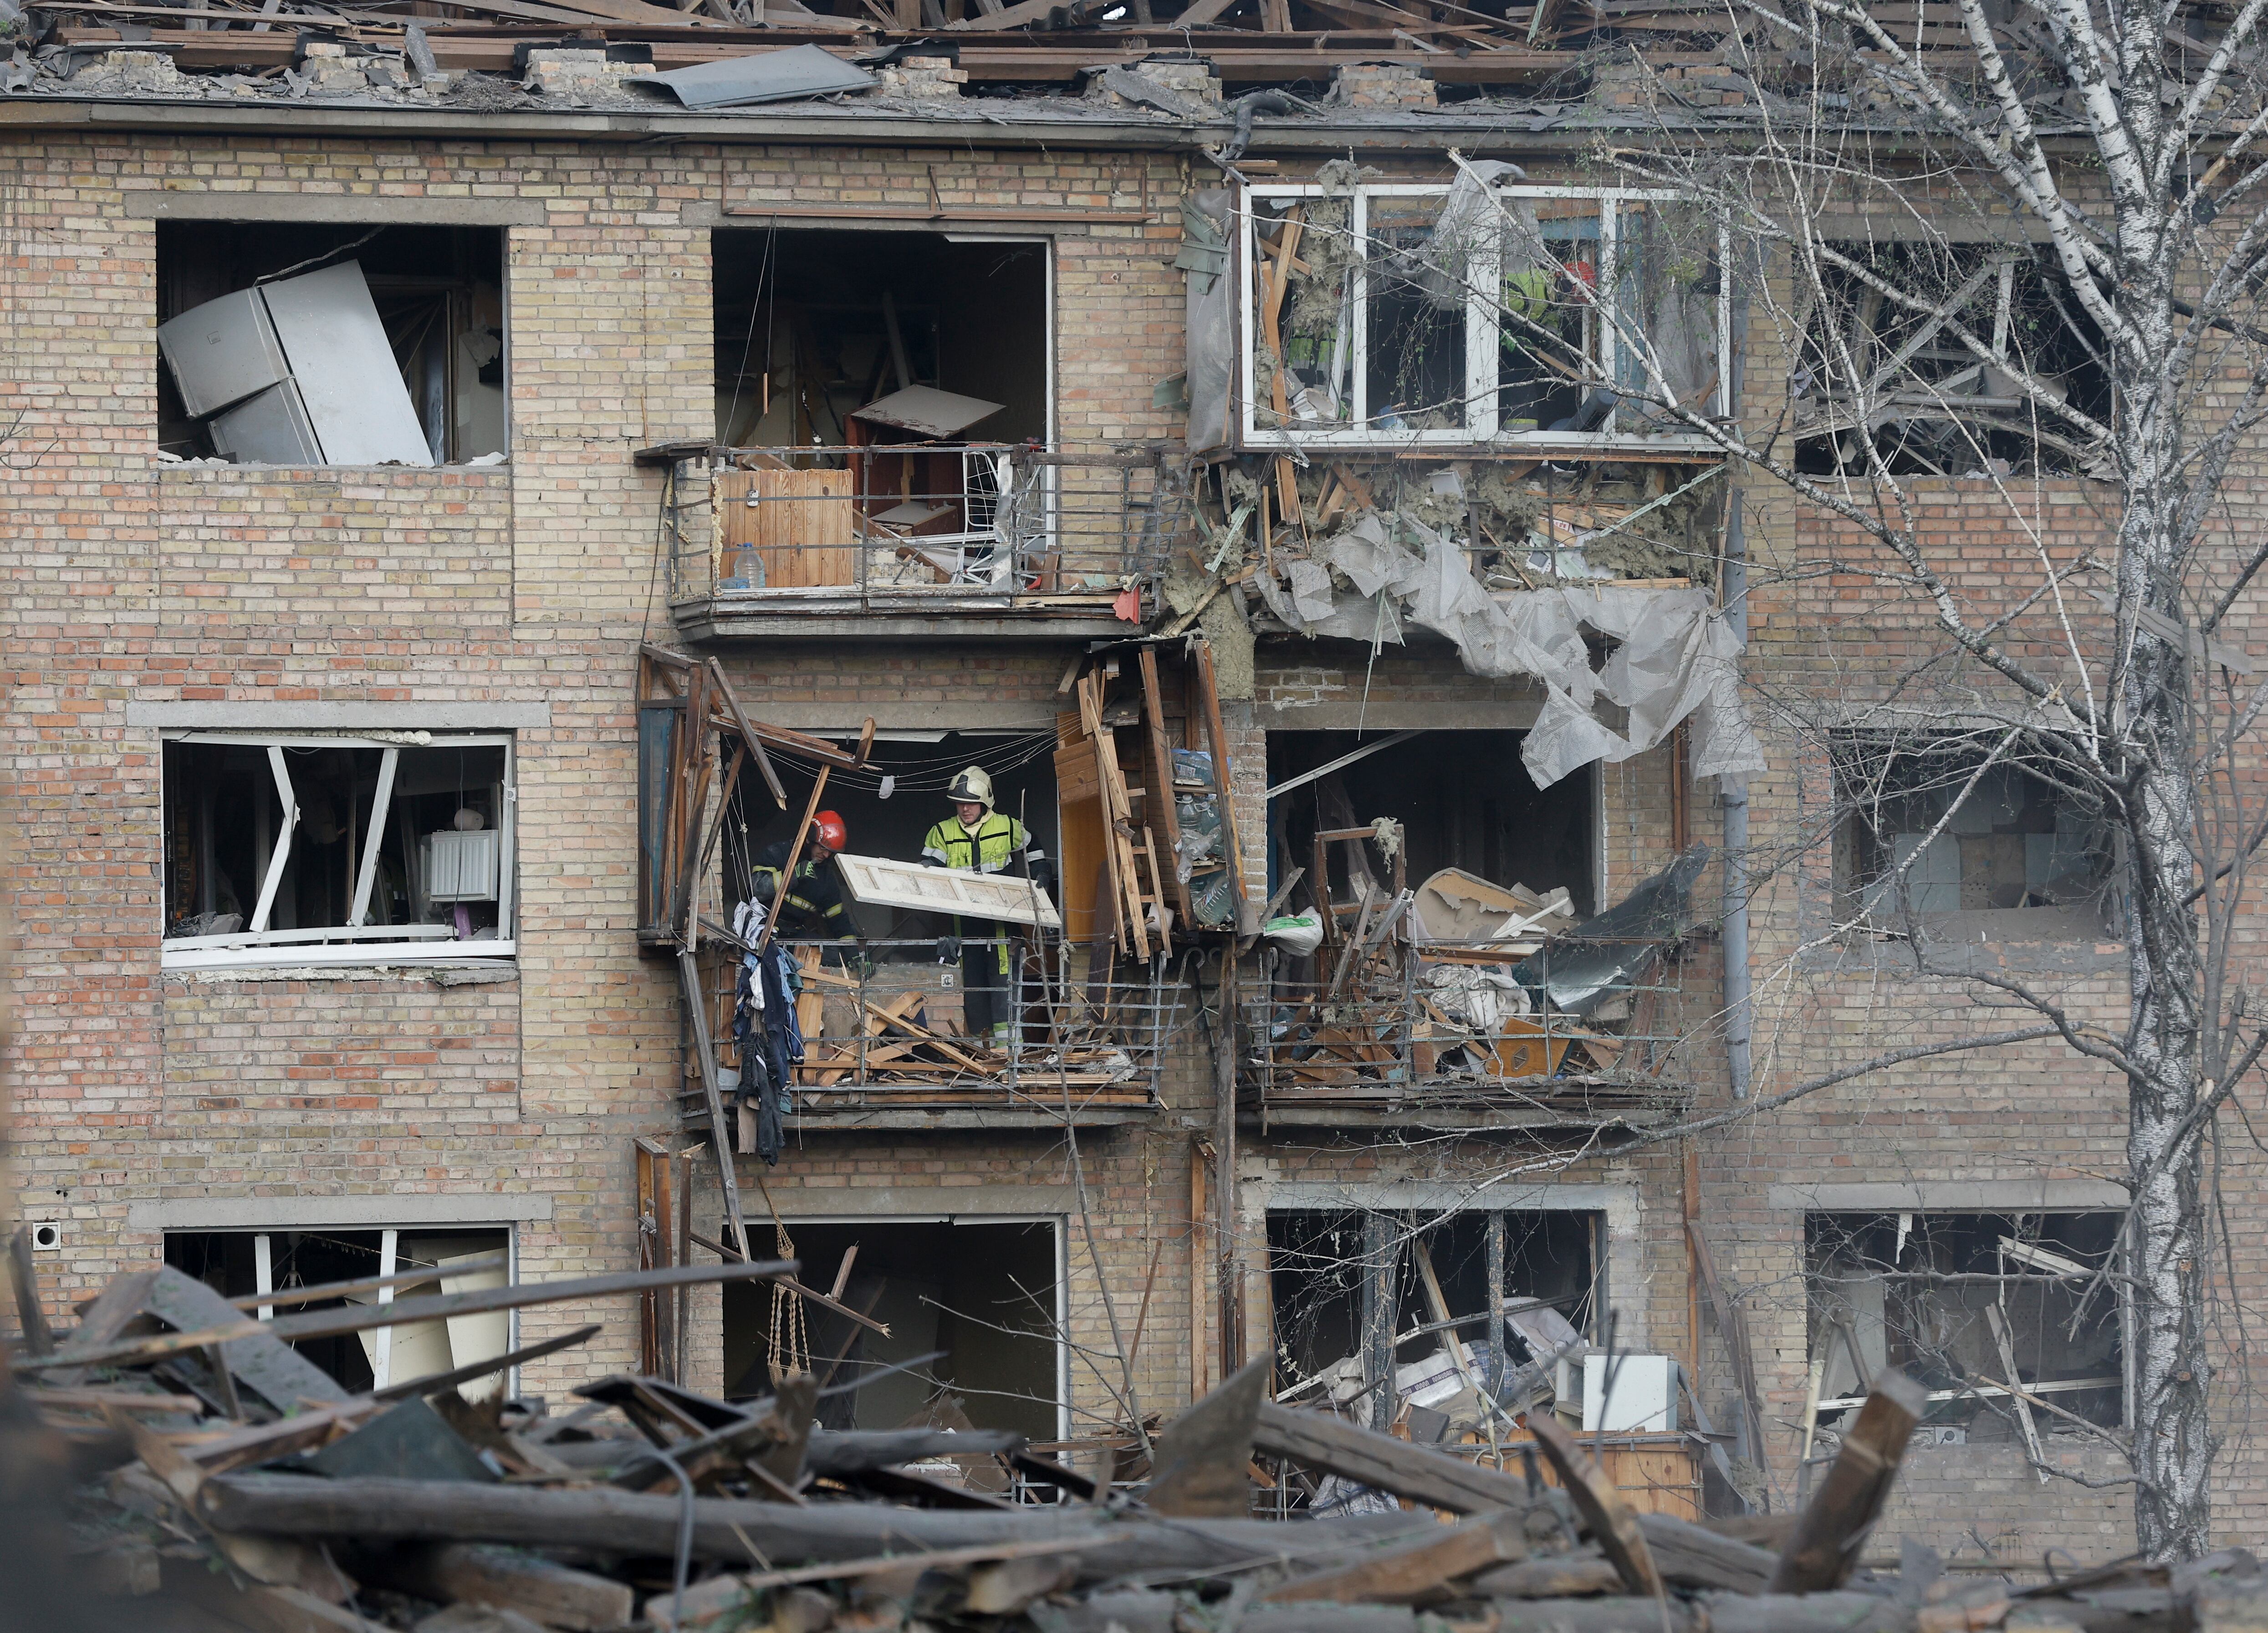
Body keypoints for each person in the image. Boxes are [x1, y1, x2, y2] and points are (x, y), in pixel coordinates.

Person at [921, 767, 1030, 1046]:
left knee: (1003, 985)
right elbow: (929, 868)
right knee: (973, 989)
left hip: (1001, 926)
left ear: (985, 803)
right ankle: (986, 1052)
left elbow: (1035, 850)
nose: (965, 808)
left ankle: (1010, 1054)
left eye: (970, 803)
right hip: (964, 927)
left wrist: (1041, 872)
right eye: (959, 803)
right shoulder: (942, 832)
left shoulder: (1008, 826)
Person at [750, 809, 862, 951]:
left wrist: (854, 955)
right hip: (762, 928)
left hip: (794, 935)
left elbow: (838, 920)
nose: (826, 855)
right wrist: (793, 875)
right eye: (823, 847)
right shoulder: (778, 854)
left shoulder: (827, 879)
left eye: (831, 851)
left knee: (831, 954)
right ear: (809, 838)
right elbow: (758, 889)